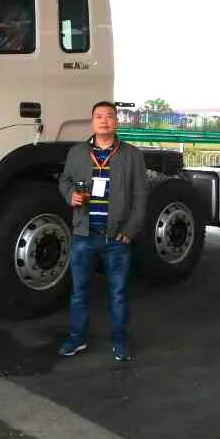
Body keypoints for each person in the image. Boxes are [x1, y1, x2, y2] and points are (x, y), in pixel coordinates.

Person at [58, 101, 148, 362]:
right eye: (99, 116)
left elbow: (141, 195)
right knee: (79, 292)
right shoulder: (77, 153)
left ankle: (119, 340)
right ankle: (77, 338)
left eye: (109, 116)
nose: (104, 121)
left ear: (116, 122)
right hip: (83, 235)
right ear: (92, 122)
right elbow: (64, 180)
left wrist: (130, 229)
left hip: (116, 237)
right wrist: (70, 195)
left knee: (118, 294)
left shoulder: (132, 155)